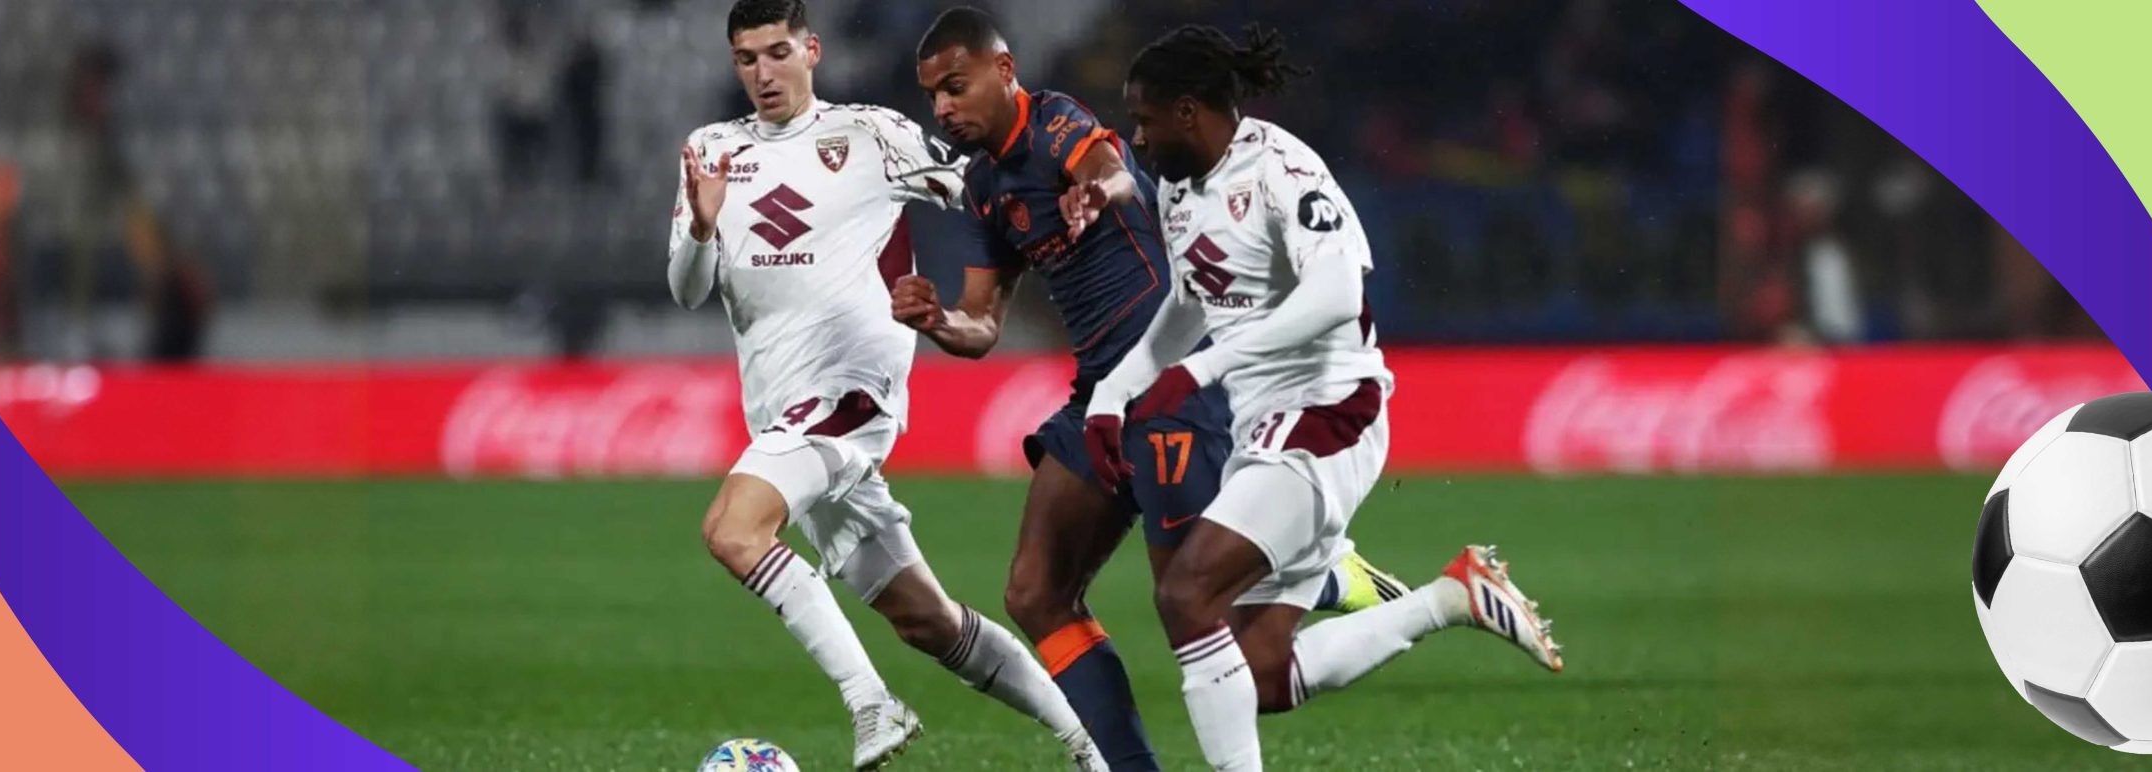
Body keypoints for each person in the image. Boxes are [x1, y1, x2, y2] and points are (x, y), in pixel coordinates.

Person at [894, 9, 1410, 771]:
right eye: (933, 94)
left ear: (1004, 73)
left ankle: (1327, 573)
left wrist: (1097, 192)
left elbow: (1110, 171)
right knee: (1036, 592)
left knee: (1196, 609)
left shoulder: (1055, 123)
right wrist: (939, 320)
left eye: (955, 86)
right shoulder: (982, 188)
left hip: (1174, 396)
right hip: (1103, 391)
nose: (942, 107)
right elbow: (982, 324)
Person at [1090, 25, 1567, 770]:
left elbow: (1338, 292)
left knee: (1186, 594)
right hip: (1262, 425)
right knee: (1260, 674)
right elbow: (1189, 301)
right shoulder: (1179, 188)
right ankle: (1450, 598)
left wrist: (1206, 369)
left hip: (1329, 410)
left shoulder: (1284, 170)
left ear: (1189, 111)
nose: (1137, 139)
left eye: (1145, 120)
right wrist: (1113, 394)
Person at [667, 3, 1105, 769]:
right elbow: (687, 290)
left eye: (777, 53)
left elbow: (979, 188)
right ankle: (1093, 746)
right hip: (781, 410)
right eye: (747, 59)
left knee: (733, 531)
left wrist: (1066, 200)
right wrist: (702, 227)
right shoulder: (712, 150)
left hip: (851, 386)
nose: (763, 73)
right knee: (929, 621)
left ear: (811, 50)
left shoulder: (871, 134)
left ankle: (872, 703)